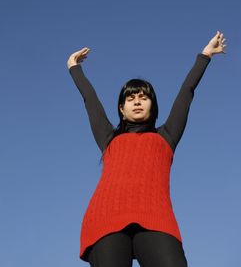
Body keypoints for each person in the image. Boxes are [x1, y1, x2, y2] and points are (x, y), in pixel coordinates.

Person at [67, 31, 227, 267]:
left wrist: (205, 55)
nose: (138, 101)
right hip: (105, 217)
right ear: (122, 108)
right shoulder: (109, 139)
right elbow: (90, 100)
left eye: (143, 97)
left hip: (156, 218)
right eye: (131, 99)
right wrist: (74, 68)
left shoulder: (166, 136)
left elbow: (186, 93)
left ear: (153, 105)